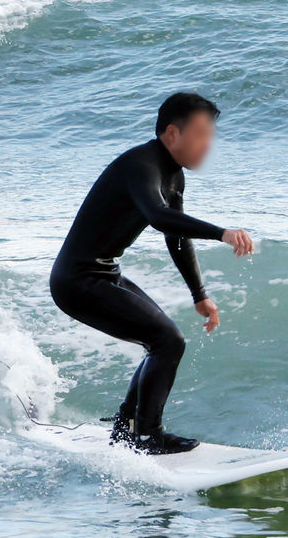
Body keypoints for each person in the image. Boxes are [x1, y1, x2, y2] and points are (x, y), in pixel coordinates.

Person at [49, 92, 254, 455]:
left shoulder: (173, 176)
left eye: (212, 134)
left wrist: (199, 294)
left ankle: (128, 426)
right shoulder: (140, 166)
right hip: (77, 281)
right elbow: (159, 217)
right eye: (202, 134)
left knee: (160, 341)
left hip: (102, 274)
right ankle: (147, 436)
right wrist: (221, 232)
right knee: (167, 341)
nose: (209, 144)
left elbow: (175, 238)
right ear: (172, 134)